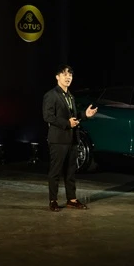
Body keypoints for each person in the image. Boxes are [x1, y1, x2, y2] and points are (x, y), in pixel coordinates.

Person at [42, 64, 98, 211]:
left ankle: (71, 199)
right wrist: (67, 123)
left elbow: (73, 117)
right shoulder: (51, 95)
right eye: (65, 74)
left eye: (70, 75)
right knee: (55, 171)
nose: (68, 77)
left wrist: (84, 115)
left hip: (72, 138)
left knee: (71, 171)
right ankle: (53, 200)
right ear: (57, 77)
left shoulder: (70, 96)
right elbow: (48, 116)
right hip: (58, 139)